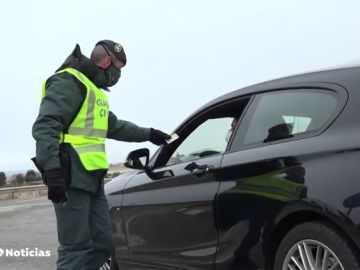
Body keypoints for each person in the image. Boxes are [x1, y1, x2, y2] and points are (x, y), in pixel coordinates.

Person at [32, 40, 171, 270]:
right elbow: (45, 126)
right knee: (75, 249)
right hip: (71, 177)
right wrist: (52, 170)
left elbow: (115, 126)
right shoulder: (68, 82)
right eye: (118, 67)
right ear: (106, 60)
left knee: (103, 245)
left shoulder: (94, 92)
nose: (117, 75)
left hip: (93, 178)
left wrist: (150, 134)